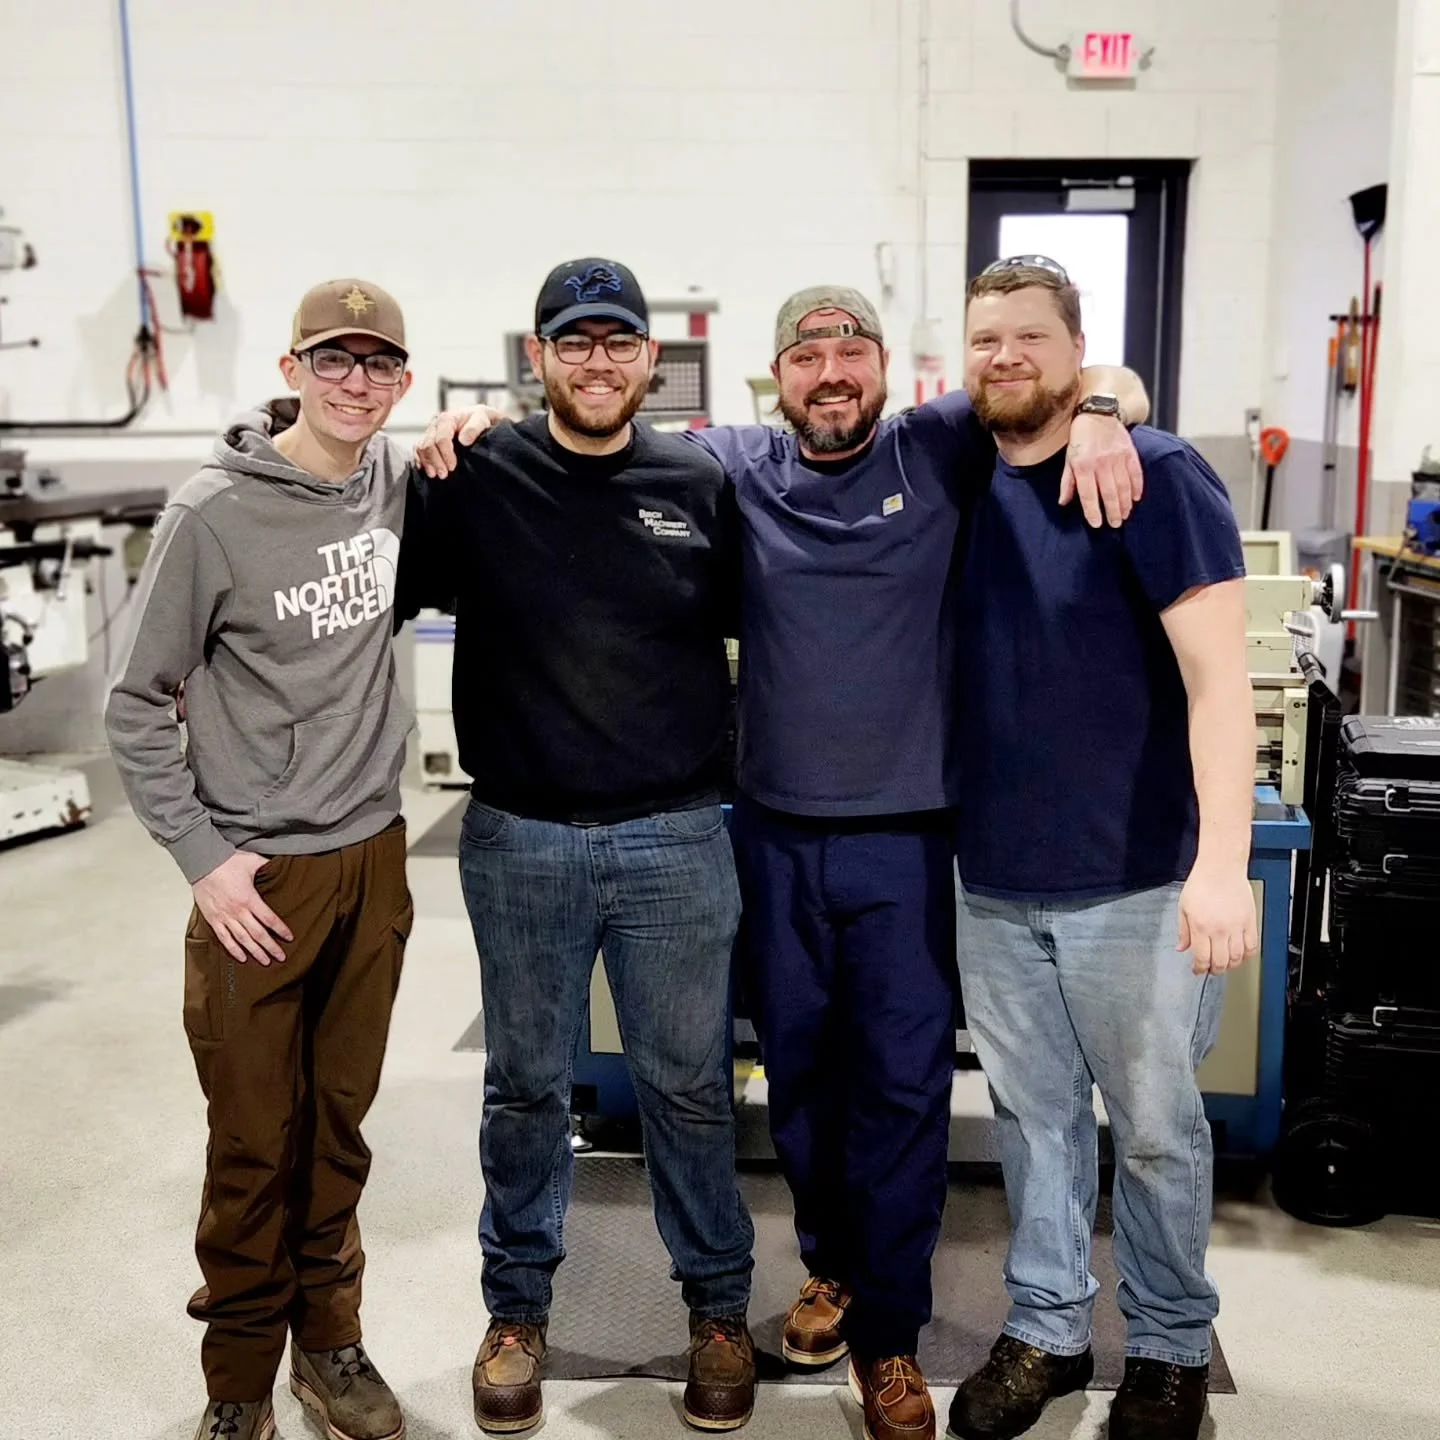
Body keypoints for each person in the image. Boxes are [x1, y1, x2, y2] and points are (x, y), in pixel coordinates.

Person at [416, 275, 1150, 1440]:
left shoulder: (937, 443)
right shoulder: (733, 466)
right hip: (765, 834)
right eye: (807, 359)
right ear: (778, 378)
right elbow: (596, 440)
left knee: (902, 1090)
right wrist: (466, 429)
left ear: (887, 371)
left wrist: (1107, 408)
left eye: (851, 353)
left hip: (908, 840)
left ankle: (891, 1336)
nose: (831, 375)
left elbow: (1061, 379)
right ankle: (830, 1269)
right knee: (796, 1084)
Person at [395, 258, 758, 1436]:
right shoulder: (474, 473)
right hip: (521, 841)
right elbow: (373, 589)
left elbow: (768, 634)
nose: (597, 360)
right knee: (525, 1090)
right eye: (573, 341)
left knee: (690, 1090)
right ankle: (516, 1314)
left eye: (618, 341)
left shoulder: (697, 482)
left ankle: (715, 1309)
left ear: (650, 359)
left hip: (675, 841)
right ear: (536, 359)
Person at [946, 258, 1255, 1440]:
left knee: (1161, 1130)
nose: (1006, 355)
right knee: (1031, 1120)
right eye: (986, 339)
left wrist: (1220, 865)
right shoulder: (963, 469)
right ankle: (1048, 1332)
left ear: (1075, 350)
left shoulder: (1157, 474)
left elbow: (1219, 683)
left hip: (1134, 877)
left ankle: (1172, 1350)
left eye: (1032, 335)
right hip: (996, 877)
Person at [105, 279, 418, 1440]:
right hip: (258, 881)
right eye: (333, 361)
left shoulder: (398, 481)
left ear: (403, 381)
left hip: (374, 860)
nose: (354, 383)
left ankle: (329, 1346)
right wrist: (203, 859)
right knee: (252, 1138)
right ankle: (237, 1381)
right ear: (292, 366)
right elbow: (137, 704)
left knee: (339, 1121)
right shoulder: (212, 514)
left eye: (378, 365)